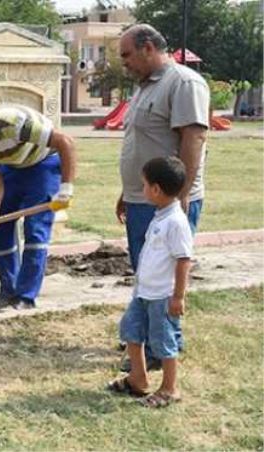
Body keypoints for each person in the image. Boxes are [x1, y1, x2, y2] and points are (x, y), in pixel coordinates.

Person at [116, 24, 209, 371]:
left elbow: (193, 138)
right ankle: (146, 338)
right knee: (146, 275)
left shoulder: (183, 83)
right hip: (143, 199)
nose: (124, 63)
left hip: (168, 203)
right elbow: (142, 145)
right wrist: (127, 191)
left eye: (127, 55)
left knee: (163, 279)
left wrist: (179, 196)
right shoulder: (143, 88)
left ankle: (160, 348)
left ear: (148, 48)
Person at [0, 105, 77, 311]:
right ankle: (8, 292)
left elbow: (66, 143)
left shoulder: (15, 124)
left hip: (43, 163)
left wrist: (66, 189)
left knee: (35, 230)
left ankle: (25, 297)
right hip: (12, 167)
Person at [107, 156, 192, 408]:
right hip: (144, 292)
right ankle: (138, 378)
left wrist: (177, 296)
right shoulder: (161, 216)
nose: (141, 189)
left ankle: (169, 388)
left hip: (162, 296)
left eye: (144, 184)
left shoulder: (176, 222)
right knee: (131, 329)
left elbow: (183, 260)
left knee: (163, 340)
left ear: (156, 189)